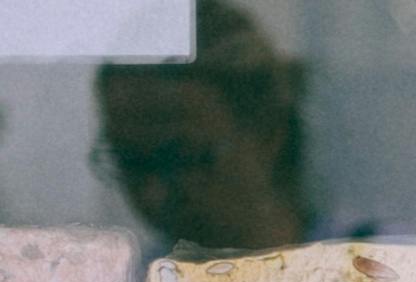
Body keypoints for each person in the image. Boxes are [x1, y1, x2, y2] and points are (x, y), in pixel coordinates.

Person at [93, 0, 311, 250]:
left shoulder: (356, 273)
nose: (155, 195)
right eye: (131, 162)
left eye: (182, 158)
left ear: (267, 135)